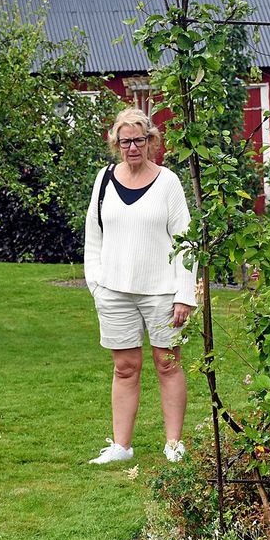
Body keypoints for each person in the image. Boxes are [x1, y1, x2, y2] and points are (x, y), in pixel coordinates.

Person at [84, 108, 197, 465]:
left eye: (139, 140)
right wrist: (97, 286)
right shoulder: (103, 180)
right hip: (114, 292)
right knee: (125, 368)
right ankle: (121, 446)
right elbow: (94, 238)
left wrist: (185, 294)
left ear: (151, 141)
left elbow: (186, 241)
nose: (132, 147)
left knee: (168, 364)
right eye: (125, 141)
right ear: (115, 143)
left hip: (163, 292)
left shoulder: (168, 182)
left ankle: (174, 443)